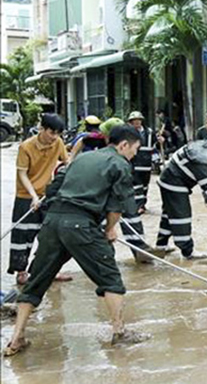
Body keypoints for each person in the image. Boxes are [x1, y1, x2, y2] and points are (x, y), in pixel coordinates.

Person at [3, 125, 150, 356]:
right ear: (123, 145)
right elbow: (117, 205)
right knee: (110, 277)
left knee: (36, 281)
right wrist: (111, 229)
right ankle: (119, 332)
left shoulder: (82, 157)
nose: (134, 154)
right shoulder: (120, 164)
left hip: (52, 222)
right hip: (81, 225)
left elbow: (54, 188)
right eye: (135, 149)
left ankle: (16, 338)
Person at [8, 114, 70, 285]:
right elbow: (22, 173)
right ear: (42, 128)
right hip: (26, 196)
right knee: (23, 235)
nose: (54, 137)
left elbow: (67, 162)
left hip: (47, 196)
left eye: (58, 133)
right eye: (52, 132)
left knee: (51, 235)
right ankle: (21, 273)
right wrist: (34, 196)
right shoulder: (25, 147)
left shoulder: (57, 143)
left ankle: (46, 271)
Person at [155, 134, 207, 259]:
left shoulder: (205, 148)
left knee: (169, 214)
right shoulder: (200, 158)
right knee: (182, 216)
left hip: (170, 180)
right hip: (174, 182)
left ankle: (161, 246)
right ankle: (187, 251)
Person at [127, 111, 161, 213]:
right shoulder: (128, 133)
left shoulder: (149, 132)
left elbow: (155, 146)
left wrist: (160, 141)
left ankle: (142, 204)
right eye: (134, 121)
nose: (137, 122)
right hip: (134, 163)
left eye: (138, 120)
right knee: (137, 185)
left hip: (146, 163)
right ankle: (139, 205)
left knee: (145, 185)